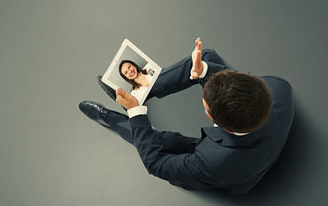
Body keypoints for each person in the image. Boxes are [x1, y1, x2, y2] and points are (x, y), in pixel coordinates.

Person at [80, 38, 294, 195]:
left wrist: (135, 112)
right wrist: (202, 71)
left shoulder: (213, 161)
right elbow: (238, 80)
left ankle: (109, 117)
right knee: (205, 59)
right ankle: (141, 92)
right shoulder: (279, 87)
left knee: (164, 141)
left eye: (205, 104)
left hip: (238, 167)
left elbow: (156, 164)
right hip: (259, 130)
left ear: (220, 125)